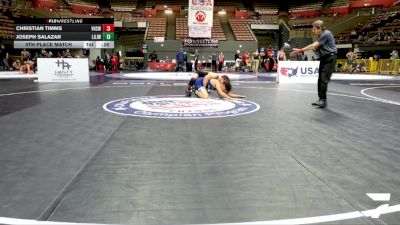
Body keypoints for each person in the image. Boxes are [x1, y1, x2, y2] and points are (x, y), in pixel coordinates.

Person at [290, 20, 337, 108]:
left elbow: (313, 46)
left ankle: (323, 100)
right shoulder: (321, 36)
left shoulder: (326, 34)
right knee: (320, 79)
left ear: (319, 28)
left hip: (330, 58)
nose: (312, 30)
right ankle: (321, 99)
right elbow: (315, 48)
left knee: (323, 79)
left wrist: (300, 50)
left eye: (314, 28)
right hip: (325, 58)